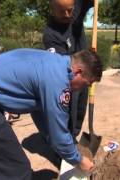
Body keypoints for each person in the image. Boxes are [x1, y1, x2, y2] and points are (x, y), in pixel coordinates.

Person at [0, 48, 102, 179]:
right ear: (78, 72)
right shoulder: (59, 81)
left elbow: (40, 112)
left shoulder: (54, 62)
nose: (82, 90)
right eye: (86, 84)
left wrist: (49, 137)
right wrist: (79, 160)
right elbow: (59, 135)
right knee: (16, 170)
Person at [43, 0, 94, 142]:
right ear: (53, 9)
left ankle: (74, 137)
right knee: (68, 111)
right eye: (61, 11)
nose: (67, 15)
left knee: (80, 108)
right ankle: (63, 144)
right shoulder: (51, 35)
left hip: (83, 72)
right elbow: (61, 66)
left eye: (70, 10)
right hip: (69, 77)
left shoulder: (74, 9)